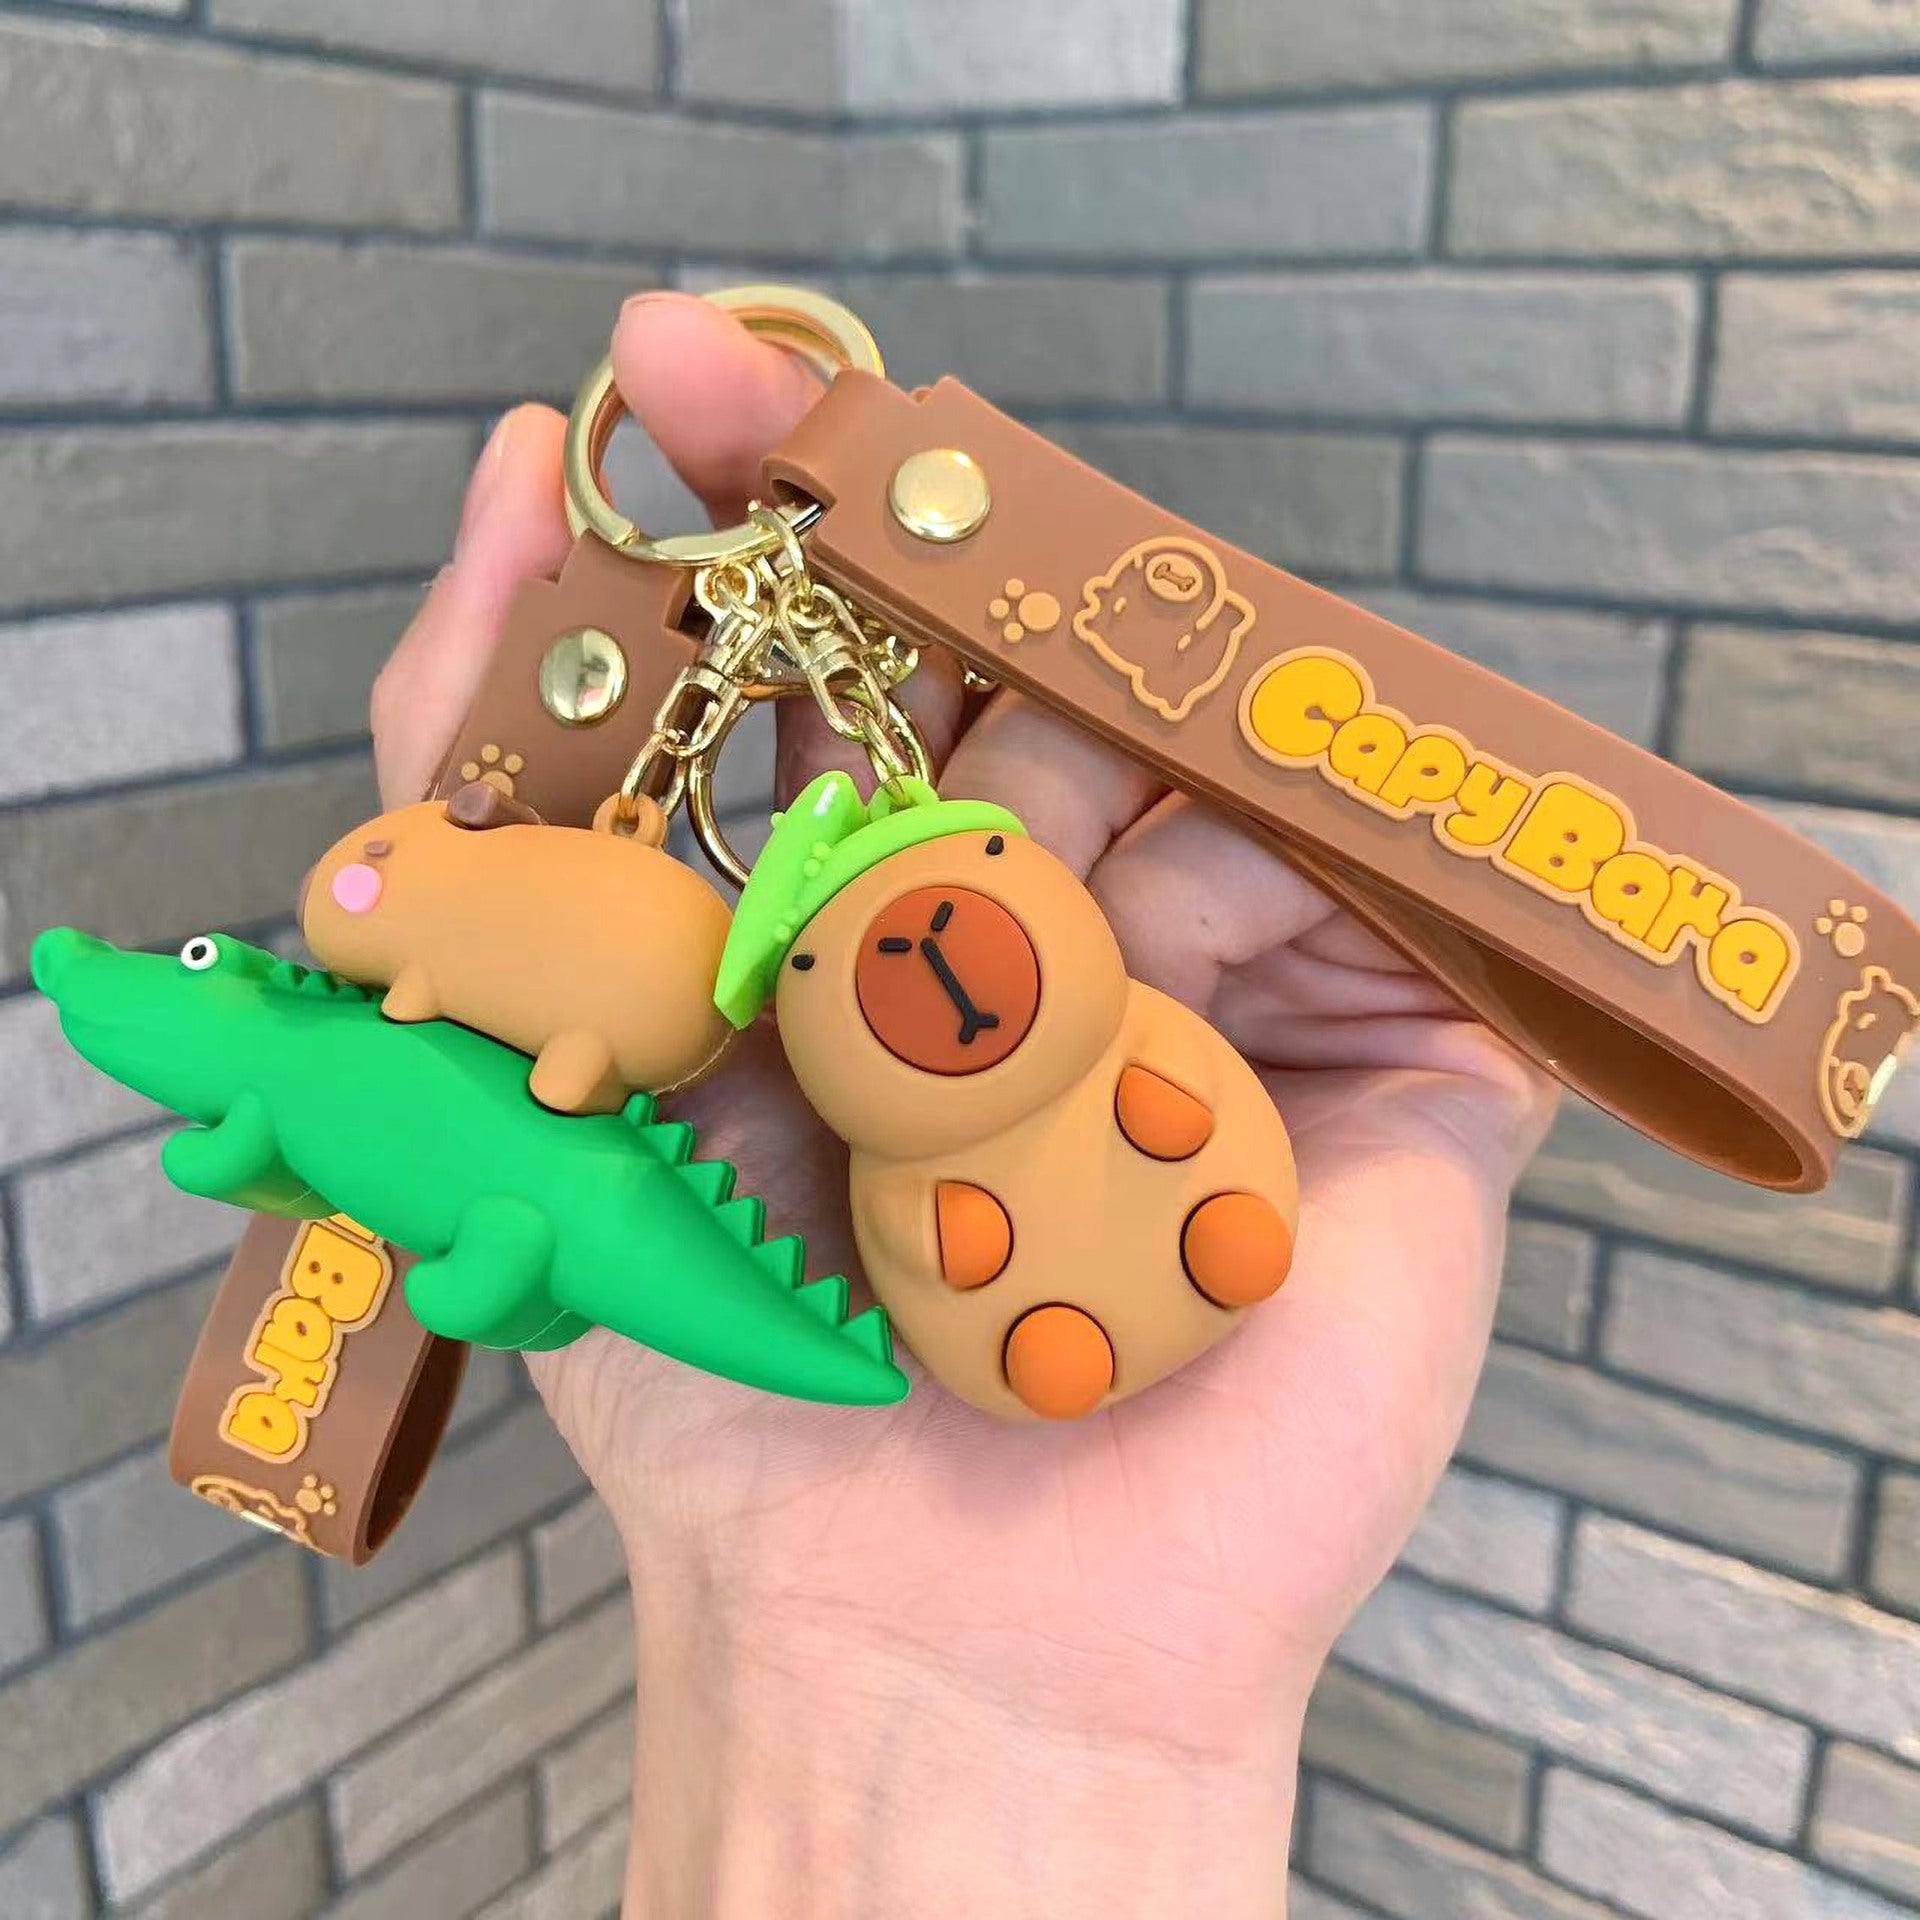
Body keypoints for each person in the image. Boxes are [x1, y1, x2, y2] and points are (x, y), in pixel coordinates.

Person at [371, 290, 1557, 1915]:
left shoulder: (1115, 1032)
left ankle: (1194, 1240)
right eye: (820, 972)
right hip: (994, 1250)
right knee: (1033, 1241)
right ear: (797, 1018)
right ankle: (1120, 1283)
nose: (927, 950)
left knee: (1155, 1154)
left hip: (1110, 1136)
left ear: (1009, 866)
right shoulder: (892, 1182)